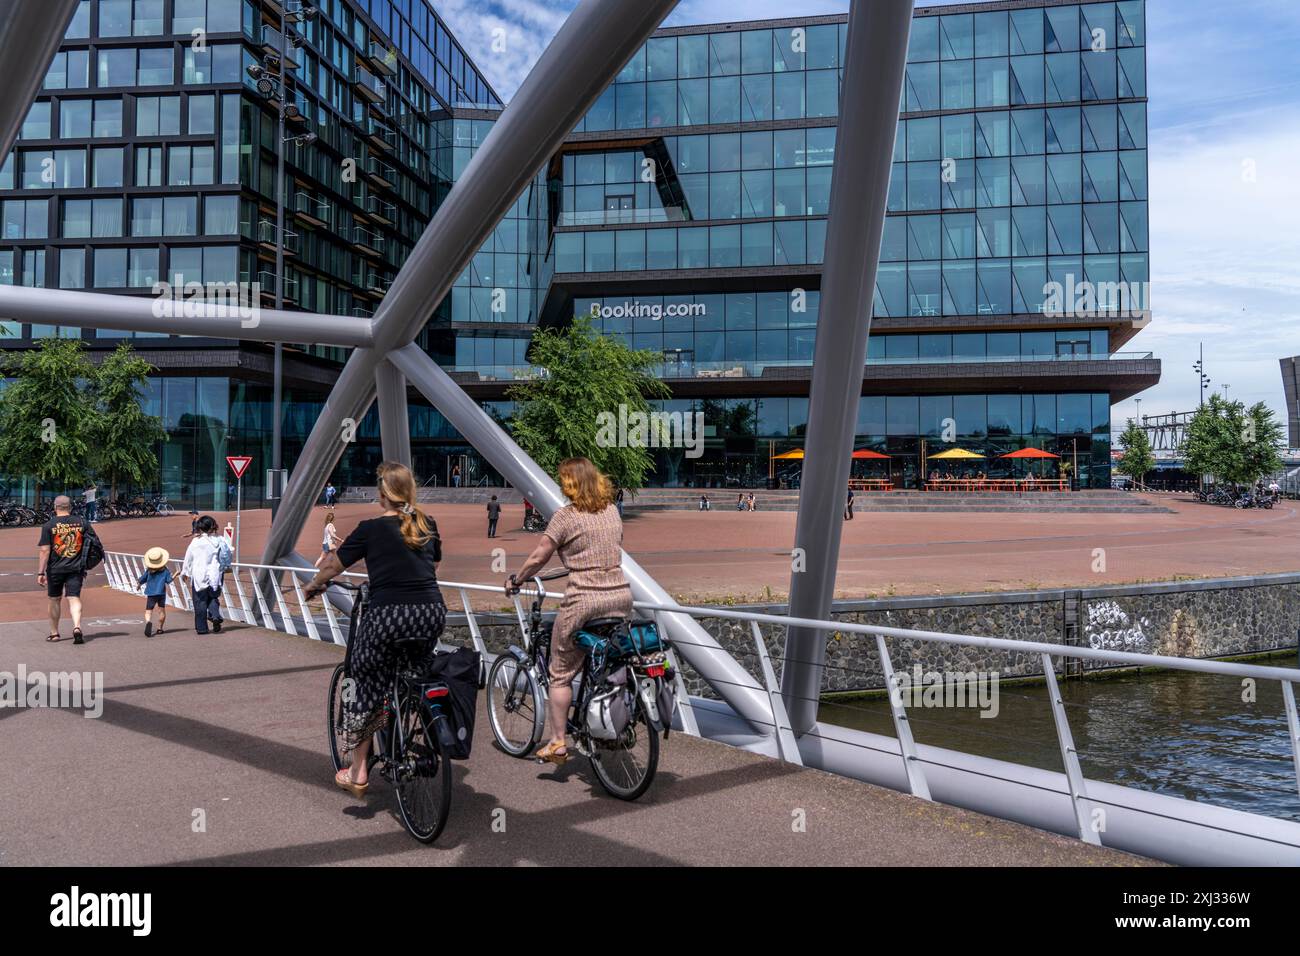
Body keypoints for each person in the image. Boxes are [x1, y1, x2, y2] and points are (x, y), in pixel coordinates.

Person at [305, 461, 445, 797]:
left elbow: (334, 565)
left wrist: (315, 584)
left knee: (364, 683)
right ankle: (413, 710)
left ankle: (358, 771)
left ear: (382, 494)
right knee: (415, 672)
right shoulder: (427, 523)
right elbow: (431, 563)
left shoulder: (369, 529)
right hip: (430, 613)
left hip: (388, 616)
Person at [506, 457, 631, 765]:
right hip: (620, 598)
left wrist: (517, 579)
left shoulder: (566, 517)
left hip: (584, 600)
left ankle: (558, 742)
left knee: (560, 673)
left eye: (564, 480)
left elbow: (539, 556)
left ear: (571, 484)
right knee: (607, 659)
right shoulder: (612, 510)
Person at [37, 495, 99, 644]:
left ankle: (54, 633)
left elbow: (45, 551)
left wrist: (40, 572)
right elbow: (93, 543)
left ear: (55, 507)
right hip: (76, 567)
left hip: (55, 569)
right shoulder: (82, 522)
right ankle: (77, 626)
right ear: (70, 507)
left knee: (54, 599)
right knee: (74, 598)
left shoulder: (48, 525)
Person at [181, 516, 225, 634]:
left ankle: (202, 628)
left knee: (200, 601)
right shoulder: (219, 540)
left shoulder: (196, 541)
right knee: (213, 597)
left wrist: (185, 572)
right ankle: (215, 615)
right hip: (215, 574)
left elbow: (188, 557)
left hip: (199, 574)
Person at [137, 547, 173, 637]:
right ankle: (160, 628)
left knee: (148, 611)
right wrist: (175, 574)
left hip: (151, 593)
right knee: (161, 611)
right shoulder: (165, 570)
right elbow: (169, 581)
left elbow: (142, 579)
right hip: (161, 593)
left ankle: (148, 622)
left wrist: (139, 584)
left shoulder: (149, 570)